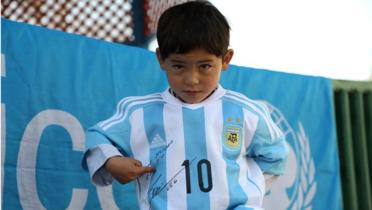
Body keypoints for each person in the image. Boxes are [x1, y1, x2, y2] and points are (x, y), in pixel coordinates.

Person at [82, 1, 288, 209]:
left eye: (205, 66)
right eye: (179, 66)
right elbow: (97, 136)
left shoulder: (246, 112)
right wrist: (112, 161)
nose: (192, 79)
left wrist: (242, 186)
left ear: (226, 59)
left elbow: (276, 155)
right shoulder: (139, 112)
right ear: (162, 59)